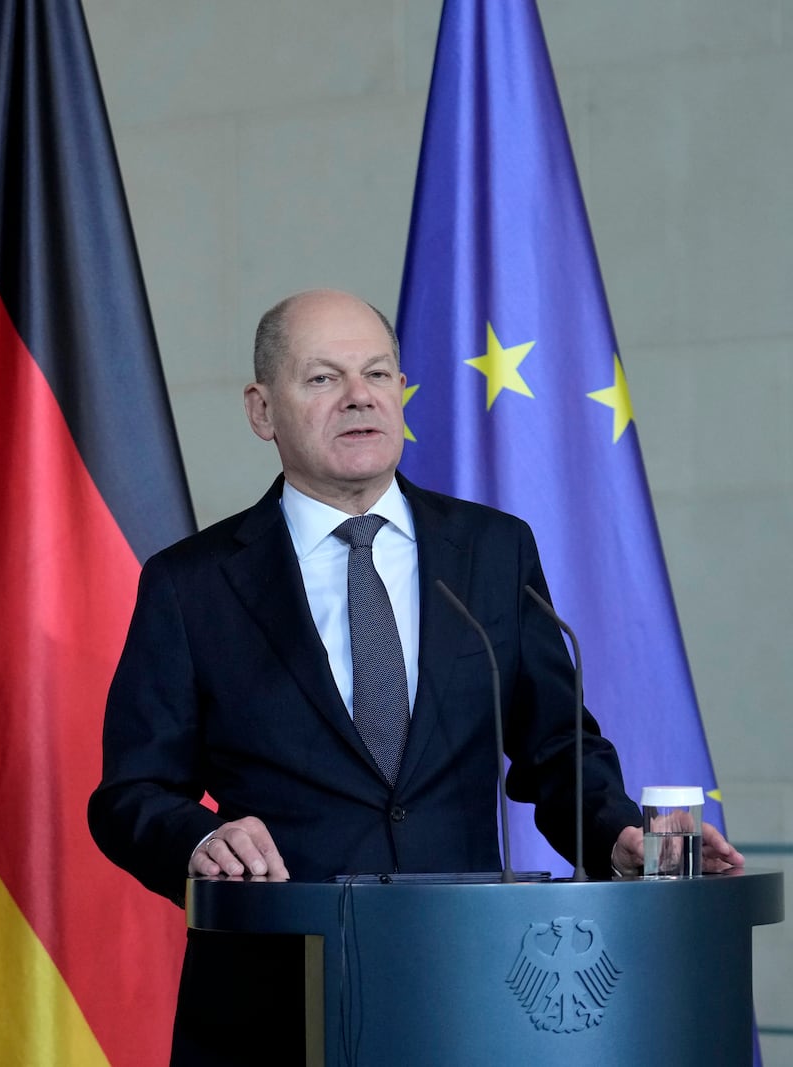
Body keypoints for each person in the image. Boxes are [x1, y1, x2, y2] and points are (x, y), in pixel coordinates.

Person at [86, 288, 739, 1064]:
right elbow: (129, 793)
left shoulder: (492, 552)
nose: (360, 396)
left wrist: (617, 832)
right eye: (323, 378)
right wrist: (199, 838)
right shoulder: (190, 585)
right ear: (263, 410)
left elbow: (555, 743)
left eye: (378, 374)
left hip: (465, 993)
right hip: (272, 1006)